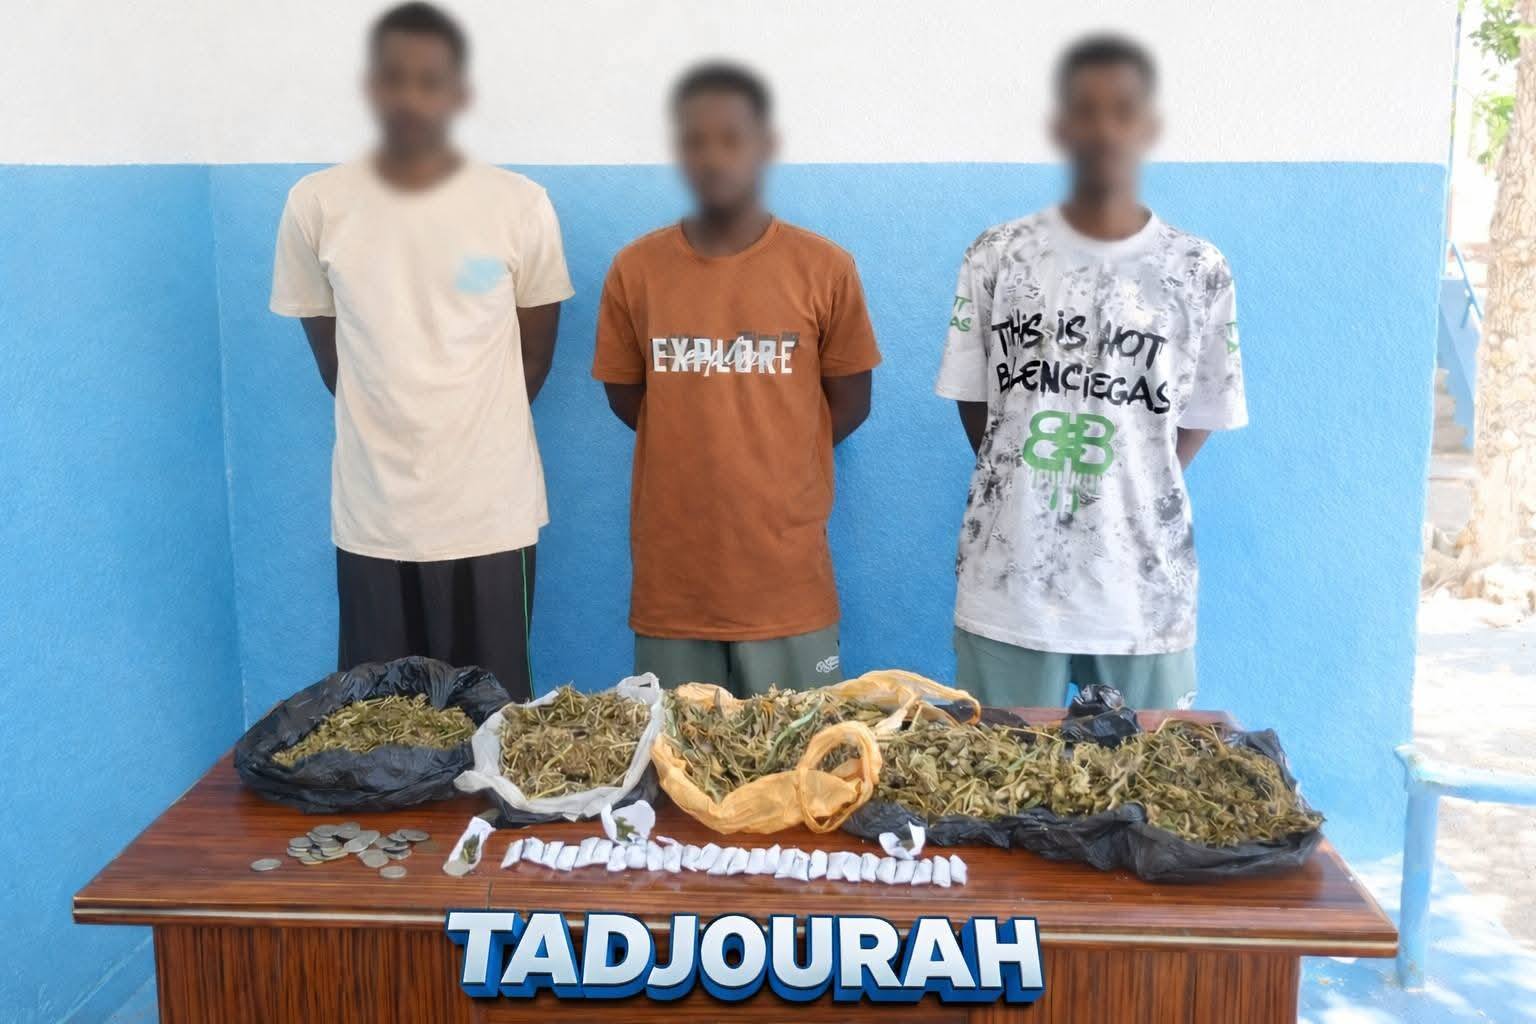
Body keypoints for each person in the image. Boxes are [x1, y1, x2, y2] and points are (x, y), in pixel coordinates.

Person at [268, 2, 573, 700]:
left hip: (490, 514)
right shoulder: (317, 205)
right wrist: (398, 423)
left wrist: (464, 431)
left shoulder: (518, 205)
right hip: (374, 517)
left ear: (459, 92)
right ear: (370, 87)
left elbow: (533, 360)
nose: (410, 96)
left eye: (429, 80)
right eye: (393, 78)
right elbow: (336, 361)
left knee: (491, 717)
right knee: (380, 722)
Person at [935, 35, 1247, 710]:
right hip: (1008, 587)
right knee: (1000, 772)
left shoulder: (1197, 270)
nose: (1105, 128)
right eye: (1086, 110)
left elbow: (1198, 417)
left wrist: (1126, 479)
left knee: (1148, 776)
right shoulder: (997, 256)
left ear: (1150, 126)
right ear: (1060, 126)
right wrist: (1029, 477)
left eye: (1123, 111)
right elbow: (976, 403)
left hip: (1143, 595)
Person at [592, 62, 881, 696]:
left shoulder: (824, 268)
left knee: (801, 751)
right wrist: (700, 435)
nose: (714, 156)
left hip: (788, 585)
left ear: (766, 145)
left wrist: (774, 452)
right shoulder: (636, 270)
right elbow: (626, 395)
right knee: (674, 751)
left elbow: (850, 402)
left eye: (732, 138)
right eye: (696, 140)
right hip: (675, 586)